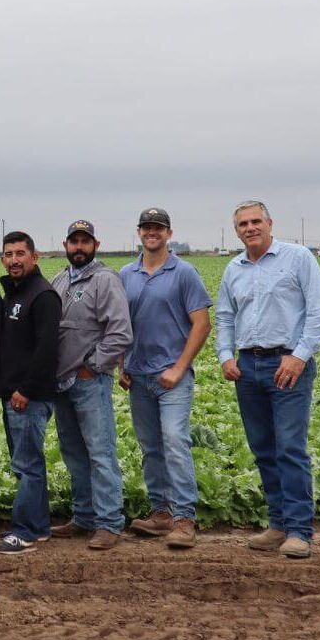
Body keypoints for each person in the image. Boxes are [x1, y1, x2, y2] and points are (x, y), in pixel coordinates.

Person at [216, 199, 320, 559]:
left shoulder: (298, 258)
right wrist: (225, 356)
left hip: (287, 364)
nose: (249, 228)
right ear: (236, 230)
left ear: (269, 223)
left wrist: (299, 357)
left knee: (290, 448)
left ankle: (300, 531)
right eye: (242, 224)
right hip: (248, 367)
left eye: (255, 221)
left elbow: (319, 313)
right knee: (263, 449)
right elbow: (223, 316)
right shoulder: (233, 268)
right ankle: (278, 523)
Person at [118, 208, 212, 550]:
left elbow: (202, 324)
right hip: (138, 375)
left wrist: (179, 366)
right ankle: (160, 514)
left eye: (158, 228)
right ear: (139, 232)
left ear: (169, 233)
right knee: (151, 447)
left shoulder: (183, 272)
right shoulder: (126, 273)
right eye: (146, 227)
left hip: (172, 376)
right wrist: (121, 363)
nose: (151, 233)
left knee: (174, 440)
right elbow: (120, 324)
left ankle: (185, 518)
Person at [49, 220, 133, 550]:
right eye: (74, 242)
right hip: (61, 383)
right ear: (66, 245)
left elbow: (120, 333)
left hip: (89, 382)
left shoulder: (104, 280)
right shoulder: (58, 280)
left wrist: (92, 367)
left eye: (85, 241)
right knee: (73, 453)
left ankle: (109, 522)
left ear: (95, 244)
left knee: (100, 453)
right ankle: (84, 516)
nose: (79, 247)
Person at [0, 232, 61, 555]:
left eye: (21, 253)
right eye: (9, 254)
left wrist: (25, 390)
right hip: (16, 394)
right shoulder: (16, 293)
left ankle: (25, 531)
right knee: (27, 461)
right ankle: (40, 526)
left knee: (27, 464)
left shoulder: (42, 295)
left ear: (35, 257)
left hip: (28, 397)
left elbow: (46, 349)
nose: (14, 260)